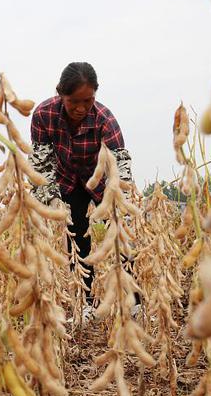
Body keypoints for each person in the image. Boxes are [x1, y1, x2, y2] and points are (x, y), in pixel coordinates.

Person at [29, 62, 133, 308]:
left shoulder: (105, 120)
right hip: (67, 181)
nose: (80, 107)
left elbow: (120, 168)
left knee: (122, 238)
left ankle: (132, 300)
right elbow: (41, 163)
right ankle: (85, 302)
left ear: (95, 95)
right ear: (60, 93)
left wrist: (120, 203)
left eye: (87, 100)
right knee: (76, 240)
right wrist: (51, 200)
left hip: (103, 183)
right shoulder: (44, 114)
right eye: (73, 101)